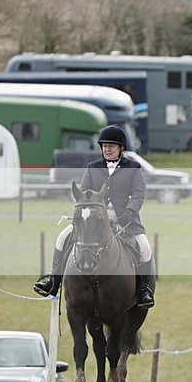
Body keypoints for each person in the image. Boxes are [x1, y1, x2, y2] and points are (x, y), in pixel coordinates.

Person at [33, 125, 155, 308]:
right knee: (62, 237)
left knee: (144, 248)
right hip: (93, 218)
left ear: (121, 148)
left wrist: (129, 213)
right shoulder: (92, 167)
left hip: (125, 218)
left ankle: (143, 289)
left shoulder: (133, 167)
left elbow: (138, 193)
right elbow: (83, 192)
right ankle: (54, 281)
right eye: (105, 146)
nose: (107, 149)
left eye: (111, 146)